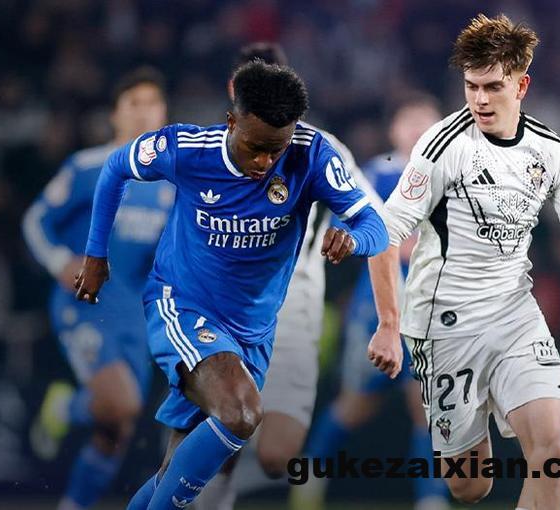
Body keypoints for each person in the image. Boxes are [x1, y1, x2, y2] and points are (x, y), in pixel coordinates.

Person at [74, 61, 388, 509]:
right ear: (231, 121)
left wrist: (354, 239)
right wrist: (95, 255)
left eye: (275, 150)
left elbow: (375, 225)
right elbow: (115, 168)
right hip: (184, 305)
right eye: (255, 147)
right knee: (242, 414)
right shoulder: (186, 149)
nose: (264, 162)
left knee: (174, 470)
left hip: (253, 330)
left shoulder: (312, 154)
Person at [366, 14, 560, 510]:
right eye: (471, 86)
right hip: (446, 324)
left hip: (515, 315)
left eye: (493, 86)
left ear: (522, 85)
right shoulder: (442, 146)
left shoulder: (553, 153)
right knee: (470, 485)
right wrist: (388, 324)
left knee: (552, 447)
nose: (480, 99)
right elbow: (382, 235)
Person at [195, 42, 383, 510]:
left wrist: (353, 236)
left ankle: (201, 459)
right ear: (234, 91)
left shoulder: (321, 148)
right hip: (222, 307)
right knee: (226, 433)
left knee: (278, 455)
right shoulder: (203, 149)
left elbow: (375, 218)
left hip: (294, 307)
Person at [22, 67, 172, 510]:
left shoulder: (172, 184)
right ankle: (63, 407)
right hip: (85, 303)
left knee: (116, 430)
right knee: (121, 405)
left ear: (164, 114)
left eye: (152, 103)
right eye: (134, 103)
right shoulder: (88, 167)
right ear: (115, 115)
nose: (144, 112)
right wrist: (58, 261)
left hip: (134, 314)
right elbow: (36, 219)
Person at [292, 95, 449, 510]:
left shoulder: (452, 176)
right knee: (355, 406)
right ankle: (310, 478)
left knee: (427, 406)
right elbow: (356, 231)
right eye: (408, 120)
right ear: (393, 130)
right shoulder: (378, 174)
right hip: (378, 308)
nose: (417, 129)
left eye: (426, 121)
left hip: (434, 309)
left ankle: (431, 498)